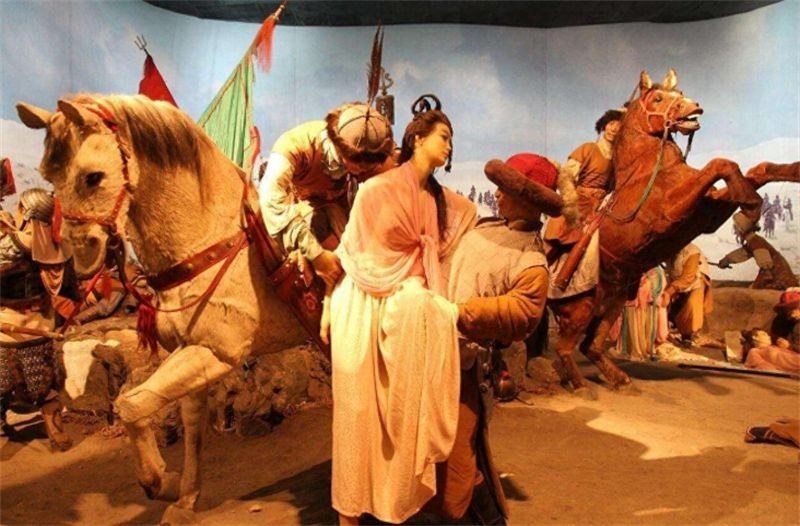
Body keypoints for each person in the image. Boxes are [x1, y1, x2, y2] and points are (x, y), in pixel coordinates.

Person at [325, 96, 476, 525]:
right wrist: (328, 304)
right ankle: (349, 516)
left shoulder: (440, 201)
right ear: (418, 139)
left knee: (406, 416)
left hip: (407, 314)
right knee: (357, 417)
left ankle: (393, 503)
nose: (448, 145)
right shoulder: (376, 189)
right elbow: (352, 254)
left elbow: (461, 225)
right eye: (442, 136)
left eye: (451, 139)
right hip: (362, 306)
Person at [442, 153, 560, 524]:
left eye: (505, 189)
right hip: (437, 352)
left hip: (466, 365)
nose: (497, 194)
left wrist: (458, 312)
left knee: (459, 459)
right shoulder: (485, 227)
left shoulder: (530, 260)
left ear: (528, 199)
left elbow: (524, 312)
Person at [258, 102, 396, 291]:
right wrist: (316, 255)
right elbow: (270, 199)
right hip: (304, 214)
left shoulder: (375, 155)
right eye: (358, 164)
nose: (363, 170)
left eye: (369, 166)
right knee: (320, 227)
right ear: (339, 147)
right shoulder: (294, 146)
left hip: (344, 216)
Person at [544, 108, 624, 246]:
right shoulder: (588, 148)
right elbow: (566, 176)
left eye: (619, 126)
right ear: (604, 125)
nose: (614, 129)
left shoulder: (619, 159)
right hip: (578, 204)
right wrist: (570, 203)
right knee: (559, 239)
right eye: (611, 124)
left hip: (600, 208)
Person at [718, 211, 798, 290]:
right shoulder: (752, 241)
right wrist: (726, 260)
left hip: (777, 277)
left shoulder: (755, 242)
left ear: (742, 229)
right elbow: (742, 253)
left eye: (736, 227)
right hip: (775, 275)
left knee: (753, 291)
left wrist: (766, 272)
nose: (735, 231)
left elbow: (763, 257)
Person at [610, 266, 669, 361]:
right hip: (636, 299)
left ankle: (645, 345)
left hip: (646, 301)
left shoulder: (657, 271)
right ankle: (636, 345)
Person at [665, 243, 712, 346]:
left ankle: (688, 335)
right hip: (678, 282)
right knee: (674, 307)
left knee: (692, 306)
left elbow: (688, 277)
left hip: (695, 283)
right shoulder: (669, 252)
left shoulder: (692, 252)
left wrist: (669, 291)